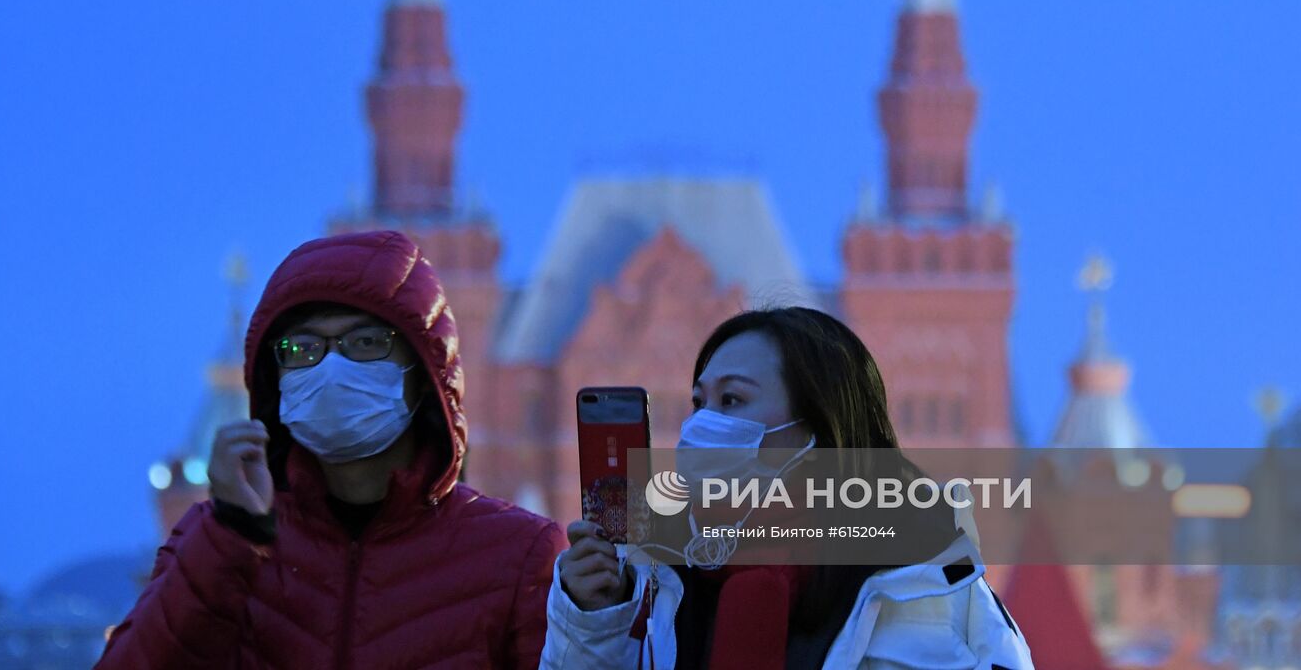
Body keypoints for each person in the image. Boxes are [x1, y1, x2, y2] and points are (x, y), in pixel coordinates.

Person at [100, 230, 566, 669]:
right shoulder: (213, 539)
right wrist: (230, 538)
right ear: (274, 377)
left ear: (424, 371)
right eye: (302, 348)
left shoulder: (518, 554)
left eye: (365, 342)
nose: (331, 368)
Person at [539, 306, 1034, 669]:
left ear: (816, 427)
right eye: (698, 403)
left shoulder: (928, 581)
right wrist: (593, 624)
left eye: (731, 400)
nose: (701, 425)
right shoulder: (662, 584)